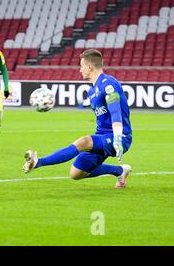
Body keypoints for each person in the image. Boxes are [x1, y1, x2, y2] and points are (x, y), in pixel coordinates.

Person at [23, 49, 132, 188]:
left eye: (81, 66)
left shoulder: (108, 83)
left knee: (84, 141)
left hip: (120, 136)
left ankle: (38, 162)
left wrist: (117, 137)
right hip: (102, 136)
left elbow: (115, 111)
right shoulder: (92, 91)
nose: (80, 69)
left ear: (89, 66)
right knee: (76, 173)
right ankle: (120, 171)